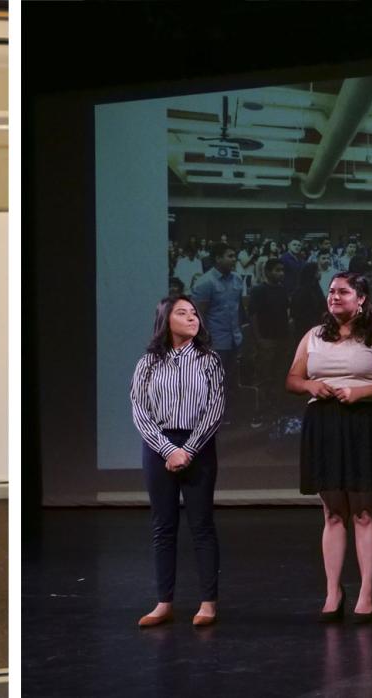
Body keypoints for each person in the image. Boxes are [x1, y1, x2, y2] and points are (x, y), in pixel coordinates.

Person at [287, 272, 372, 623]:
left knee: (364, 511)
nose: (334, 297)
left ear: (362, 299)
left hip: (363, 422)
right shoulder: (313, 336)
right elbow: (292, 378)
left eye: (343, 291)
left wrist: (359, 392)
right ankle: (333, 591)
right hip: (324, 424)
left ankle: (367, 590)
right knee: (333, 512)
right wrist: (311, 385)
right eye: (331, 291)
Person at [129, 295, 226, 628]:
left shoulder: (209, 360)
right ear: (165, 320)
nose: (191, 317)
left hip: (197, 445)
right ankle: (164, 602)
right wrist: (168, 449)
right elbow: (139, 410)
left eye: (194, 313)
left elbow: (215, 408)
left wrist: (189, 449)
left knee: (201, 525)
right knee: (163, 527)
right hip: (159, 448)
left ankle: (208, 602)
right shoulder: (148, 363)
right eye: (182, 313)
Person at [192, 242, 247, 419]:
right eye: (229, 256)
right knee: (214, 381)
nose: (234, 259)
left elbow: (238, 310)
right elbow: (199, 316)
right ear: (218, 258)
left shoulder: (238, 279)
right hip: (215, 340)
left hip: (234, 338)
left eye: (234, 256)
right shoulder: (205, 283)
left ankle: (229, 415)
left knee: (231, 379)